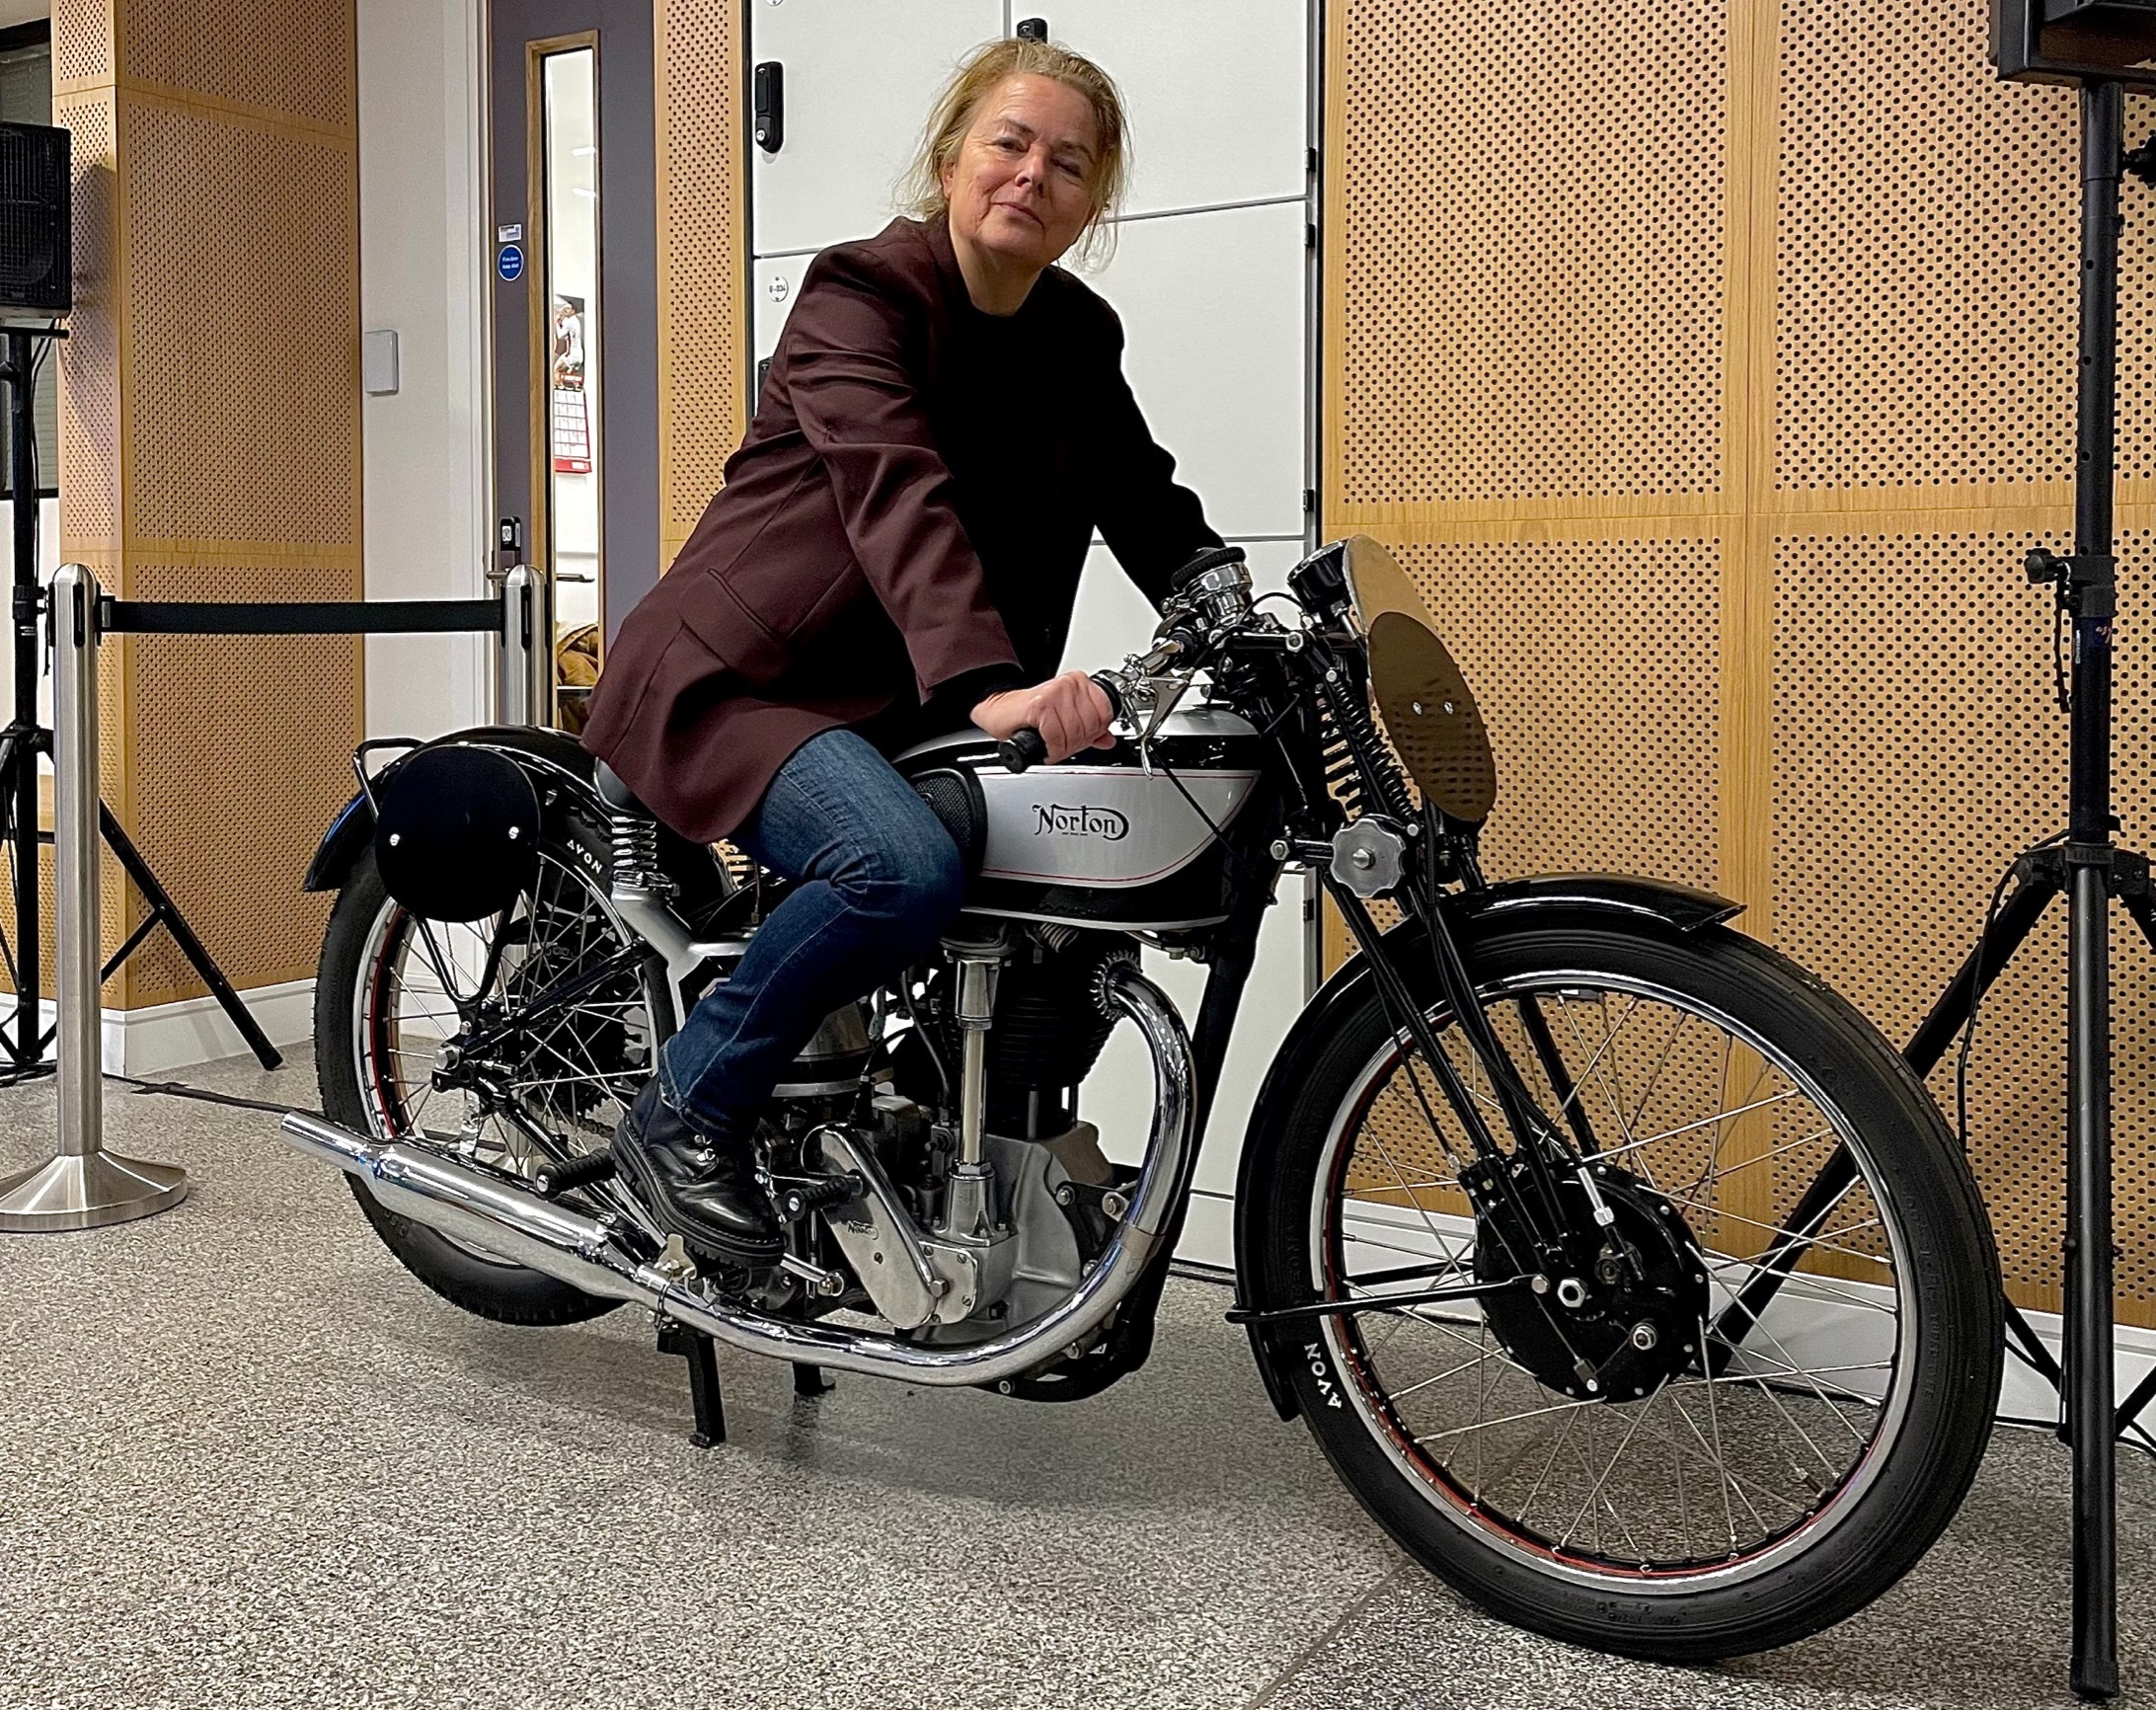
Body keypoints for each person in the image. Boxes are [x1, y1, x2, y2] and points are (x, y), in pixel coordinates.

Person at [581, 37, 1220, 1266]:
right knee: (896, 871)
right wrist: (990, 684)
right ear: (951, 156)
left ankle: (939, 1127)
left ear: (1092, 203)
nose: (1033, 175)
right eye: (1010, 143)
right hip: (749, 677)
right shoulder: (862, 294)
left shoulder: (1077, 334)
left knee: (1093, 862)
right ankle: (683, 1108)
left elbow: (1139, 492)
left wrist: (1221, 591)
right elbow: (898, 492)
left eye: (1070, 163)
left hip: (893, 698)